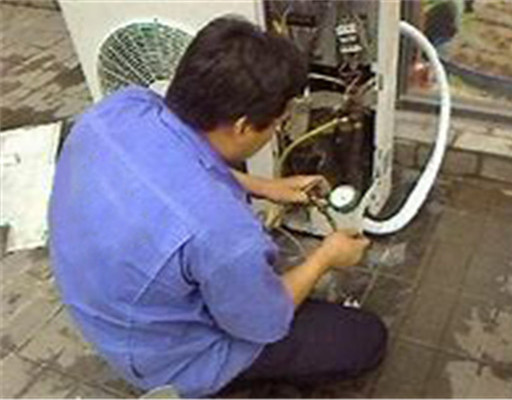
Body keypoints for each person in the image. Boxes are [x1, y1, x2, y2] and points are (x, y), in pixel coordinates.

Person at [49, 15, 387, 398]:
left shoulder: (121, 108)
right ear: (243, 126)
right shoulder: (225, 232)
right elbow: (264, 321)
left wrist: (265, 187)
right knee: (366, 338)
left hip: (102, 314)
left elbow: (175, 165)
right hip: (165, 360)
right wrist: (326, 257)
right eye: (278, 122)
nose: (279, 129)